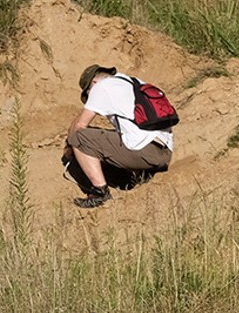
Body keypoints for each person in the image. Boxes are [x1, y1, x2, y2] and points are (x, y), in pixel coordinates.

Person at [62, 65, 173, 209]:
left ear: (93, 84)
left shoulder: (101, 88)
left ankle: (99, 193)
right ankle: (139, 175)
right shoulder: (133, 82)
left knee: (80, 138)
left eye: (88, 94)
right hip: (165, 152)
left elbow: (79, 127)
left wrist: (70, 146)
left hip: (146, 154)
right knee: (113, 135)